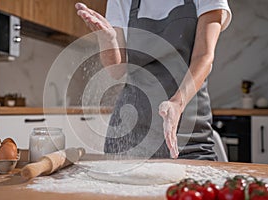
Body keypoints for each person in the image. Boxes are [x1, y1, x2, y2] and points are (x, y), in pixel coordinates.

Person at [75, 0, 232, 160]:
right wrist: (108, 39)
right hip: (131, 133)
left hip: (187, 130)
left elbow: (203, 56)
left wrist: (177, 103)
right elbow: (116, 70)